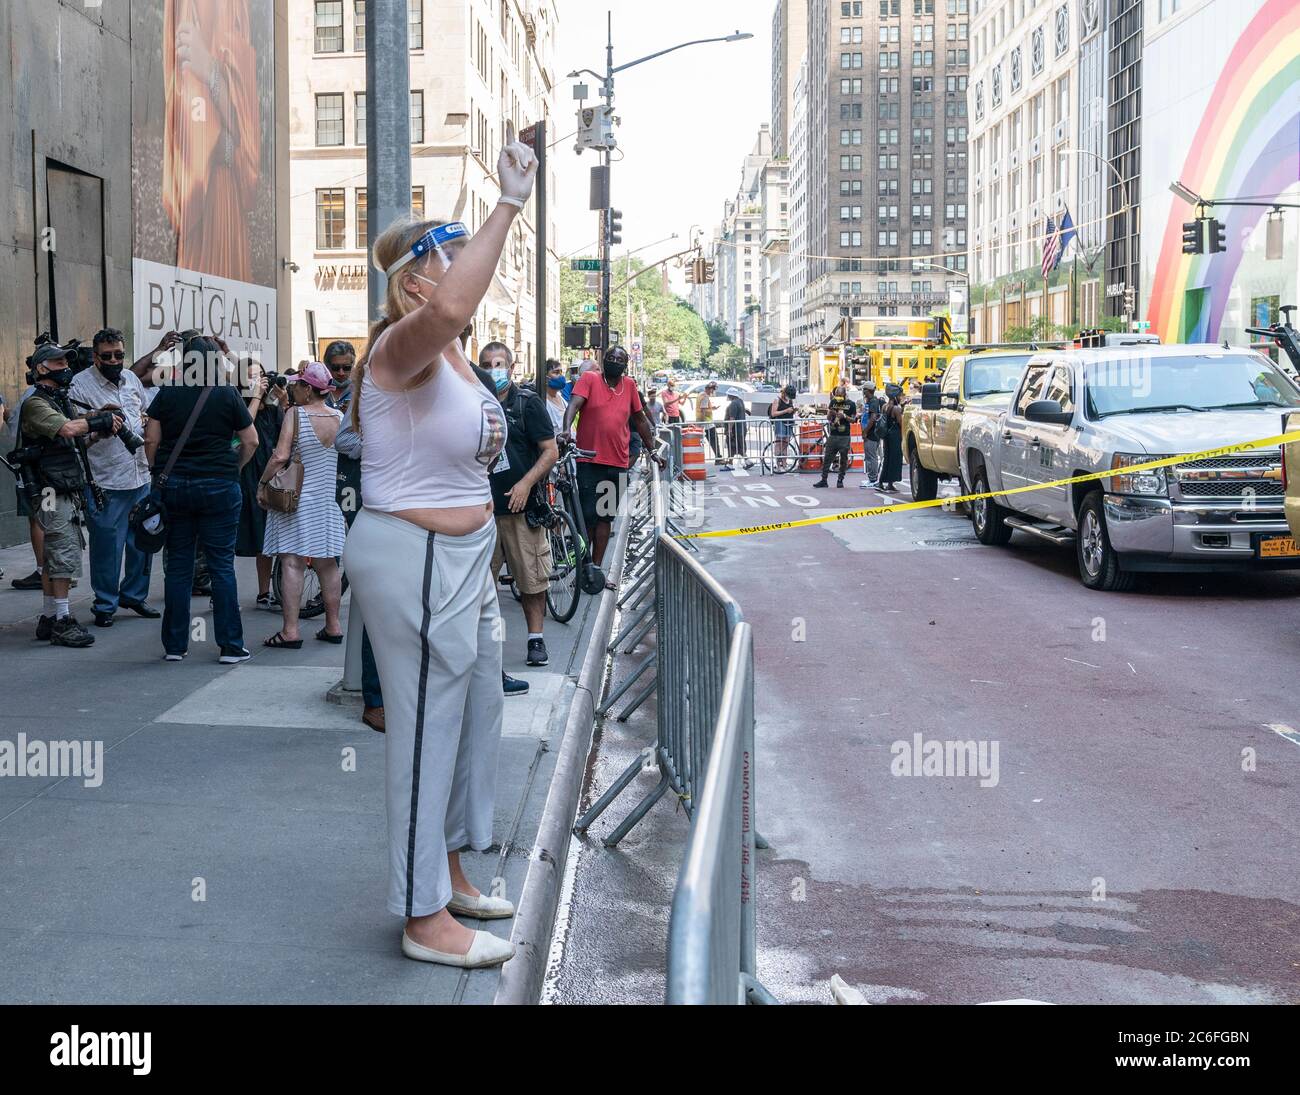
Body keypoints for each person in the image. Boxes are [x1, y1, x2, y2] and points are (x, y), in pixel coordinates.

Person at [340, 133, 539, 971]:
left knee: (471, 719)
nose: (469, 274)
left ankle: (450, 869)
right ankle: (423, 915)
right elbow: (454, 310)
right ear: (417, 281)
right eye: (454, 260)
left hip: (464, 560)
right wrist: (510, 204)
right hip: (412, 553)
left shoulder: (453, 358)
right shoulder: (401, 346)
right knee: (425, 730)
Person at [144, 334, 259, 663]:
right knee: (222, 566)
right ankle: (230, 646)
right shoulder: (226, 394)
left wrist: (158, 471)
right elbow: (249, 441)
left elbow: (151, 439)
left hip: (176, 486)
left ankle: (175, 646)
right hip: (219, 485)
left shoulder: (168, 392)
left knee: (178, 567)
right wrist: (232, 469)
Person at [17, 345, 125, 648]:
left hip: (63, 485)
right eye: (57, 360)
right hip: (50, 490)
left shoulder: (58, 400)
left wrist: (95, 433)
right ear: (41, 368)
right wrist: (97, 420)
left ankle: (50, 616)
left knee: (56, 553)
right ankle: (63, 621)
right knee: (62, 551)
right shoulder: (37, 403)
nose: (65, 364)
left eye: (66, 359)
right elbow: (66, 430)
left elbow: (74, 443)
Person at [68, 328, 158, 628]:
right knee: (107, 547)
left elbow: (144, 413)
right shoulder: (79, 386)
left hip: (140, 474)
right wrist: (96, 423)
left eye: (119, 354)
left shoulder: (132, 379)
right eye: (107, 356)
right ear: (95, 357)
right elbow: (72, 437)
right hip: (104, 480)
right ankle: (105, 604)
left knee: (143, 542)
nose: (114, 360)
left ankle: (133, 595)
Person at [480, 343, 558, 668]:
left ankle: (535, 639)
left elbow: (550, 451)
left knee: (532, 579)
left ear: (511, 368)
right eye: (486, 364)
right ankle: (488, 650)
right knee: (480, 587)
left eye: (499, 363)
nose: (493, 369)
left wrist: (526, 483)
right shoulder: (474, 403)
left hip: (520, 509)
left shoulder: (528, 403)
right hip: (480, 511)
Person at [259, 363, 347, 649]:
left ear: (308, 389)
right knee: (327, 564)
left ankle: (290, 631)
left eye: (298, 384)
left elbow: (280, 455)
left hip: (295, 502)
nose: (294, 388)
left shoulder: (296, 414)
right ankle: (333, 626)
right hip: (329, 502)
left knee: (292, 562)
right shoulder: (339, 416)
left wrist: (262, 484)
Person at [559, 346, 664, 570]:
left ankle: (596, 568)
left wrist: (652, 450)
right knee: (587, 517)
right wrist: (566, 429)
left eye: (619, 359)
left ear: (625, 365)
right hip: (589, 460)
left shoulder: (629, 386)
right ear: (603, 359)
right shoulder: (589, 379)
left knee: (605, 517)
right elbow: (574, 405)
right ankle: (582, 564)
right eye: (611, 357)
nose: (615, 361)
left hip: (617, 464)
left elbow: (640, 420)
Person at [234, 359, 284, 610]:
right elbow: (244, 425)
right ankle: (220, 590)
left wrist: (282, 401)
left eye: (260, 376)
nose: (257, 382)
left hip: (268, 477)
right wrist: (255, 397)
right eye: (251, 377)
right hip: (244, 477)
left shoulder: (274, 410)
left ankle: (264, 592)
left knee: (264, 538)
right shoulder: (238, 405)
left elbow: (283, 440)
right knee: (236, 536)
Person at [10, 381, 48, 591]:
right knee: (51, 517)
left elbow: (13, 425)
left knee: (38, 519)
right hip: (58, 472)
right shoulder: (67, 392)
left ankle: (44, 570)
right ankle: (59, 571)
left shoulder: (32, 395)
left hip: (34, 470)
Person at [814, 383, 857, 489]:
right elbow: (828, 418)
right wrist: (831, 413)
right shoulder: (833, 402)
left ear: (845, 394)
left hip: (844, 436)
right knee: (827, 457)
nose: (838, 398)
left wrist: (845, 416)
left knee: (843, 459)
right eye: (836, 395)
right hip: (833, 435)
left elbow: (854, 420)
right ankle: (824, 480)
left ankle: (840, 480)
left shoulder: (851, 404)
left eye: (840, 396)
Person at [876, 384, 905, 492]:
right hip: (895, 436)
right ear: (895, 396)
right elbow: (901, 424)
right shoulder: (897, 409)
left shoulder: (884, 406)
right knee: (895, 459)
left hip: (886, 436)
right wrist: (903, 439)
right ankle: (890, 483)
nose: (900, 397)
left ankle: (881, 481)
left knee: (887, 458)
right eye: (899, 395)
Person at [723, 389, 755, 469]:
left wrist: (729, 430)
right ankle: (747, 462)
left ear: (731, 395)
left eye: (728, 395)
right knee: (740, 446)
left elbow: (732, 418)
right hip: (741, 428)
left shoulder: (733, 404)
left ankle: (731, 464)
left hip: (735, 430)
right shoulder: (740, 401)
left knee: (732, 446)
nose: (727, 396)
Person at [860, 381, 883, 488]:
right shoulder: (871, 401)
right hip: (870, 433)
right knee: (869, 456)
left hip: (871, 434)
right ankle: (871, 478)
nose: (863, 391)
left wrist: (865, 431)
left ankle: (873, 479)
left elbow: (873, 418)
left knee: (871, 456)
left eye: (864, 389)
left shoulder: (873, 402)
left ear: (868, 391)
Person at [696, 381, 723, 462]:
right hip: (707, 423)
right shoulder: (705, 397)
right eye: (713, 390)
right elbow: (703, 410)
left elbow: (704, 408)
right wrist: (704, 424)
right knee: (714, 441)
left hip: (701, 422)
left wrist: (712, 408)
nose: (713, 392)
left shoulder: (700, 394)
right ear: (710, 389)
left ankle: (698, 459)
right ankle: (718, 458)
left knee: (700, 442)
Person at [769, 384, 797, 450]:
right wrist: (786, 411)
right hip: (780, 423)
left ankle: (784, 460)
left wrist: (793, 410)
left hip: (789, 422)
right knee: (779, 442)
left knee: (786, 444)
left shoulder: (790, 400)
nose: (789, 398)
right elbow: (773, 413)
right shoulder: (777, 400)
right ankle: (778, 459)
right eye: (788, 396)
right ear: (784, 393)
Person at [544, 359, 568, 433]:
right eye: (556, 372)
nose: (561, 376)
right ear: (546, 377)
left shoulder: (561, 398)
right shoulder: (543, 401)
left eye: (561, 372)